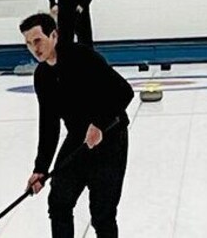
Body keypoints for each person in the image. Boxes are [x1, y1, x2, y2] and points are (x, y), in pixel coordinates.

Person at [19, 13, 133, 238]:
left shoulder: (82, 56)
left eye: (38, 40)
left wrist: (99, 124)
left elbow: (124, 91)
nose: (34, 48)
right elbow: (49, 125)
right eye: (29, 44)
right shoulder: (42, 76)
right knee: (59, 201)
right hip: (78, 138)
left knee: (102, 213)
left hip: (110, 136)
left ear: (54, 35)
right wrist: (40, 168)